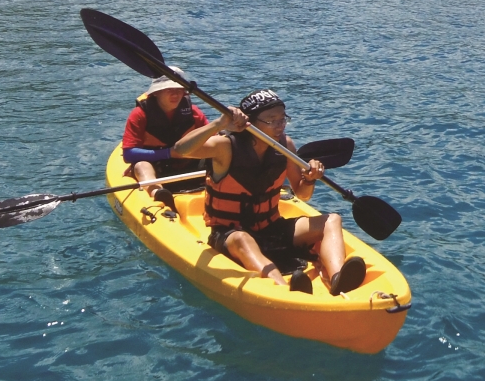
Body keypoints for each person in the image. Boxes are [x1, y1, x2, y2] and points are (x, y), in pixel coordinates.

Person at [171, 89, 366, 295]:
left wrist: (309, 179)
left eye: (282, 119)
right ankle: (282, 289)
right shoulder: (225, 146)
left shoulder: (285, 145)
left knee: (331, 219)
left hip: (271, 228)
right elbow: (180, 150)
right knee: (242, 239)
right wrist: (218, 124)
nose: (279, 126)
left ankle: (337, 278)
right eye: (271, 120)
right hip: (230, 233)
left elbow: (302, 194)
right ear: (251, 123)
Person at [121, 68, 209, 207]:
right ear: (156, 92)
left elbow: (213, 141)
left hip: (189, 166)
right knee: (141, 165)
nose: (175, 94)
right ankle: (157, 192)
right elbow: (128, 154)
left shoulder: (194, 113)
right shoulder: (140, 115)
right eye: (168, 89)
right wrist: (169, 153)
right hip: (158, 168)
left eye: (179, 89)